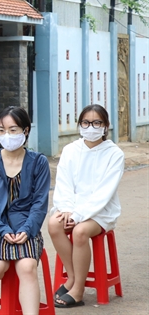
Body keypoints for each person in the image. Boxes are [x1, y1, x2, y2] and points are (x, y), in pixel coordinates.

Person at [0, 106, 51, 314]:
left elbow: (39, 203)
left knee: (27, 267)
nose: (6, 135)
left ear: (26, 131)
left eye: (13, 129)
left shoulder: (39, 163)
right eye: (1, 130)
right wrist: (2, 229)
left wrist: (28, 229)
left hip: (27, 227)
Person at [48, 104, 124, 309]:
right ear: (80, 124)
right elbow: (64, 183)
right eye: (86, 122)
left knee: (80, 231)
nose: (91, 127)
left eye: (96, 122)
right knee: (54, 224)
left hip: (100, 212)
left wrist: (80, 215)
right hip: (72, 208)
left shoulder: (114, 154)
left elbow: (104, 193)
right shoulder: (71, 150)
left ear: (106, 126)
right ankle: (72, 277)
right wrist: (65, 208)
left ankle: (78, 290)